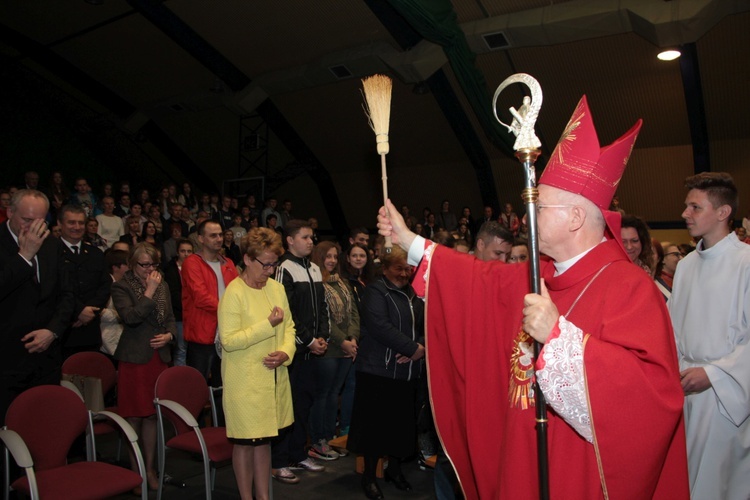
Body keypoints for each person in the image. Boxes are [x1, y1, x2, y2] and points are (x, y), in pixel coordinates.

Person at [376, 96, 688, 499]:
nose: (526, 218)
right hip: (523, 456)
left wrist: (558, 340)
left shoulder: (629, 287)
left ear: (576, 218)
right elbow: (477, 281)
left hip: (577, 473)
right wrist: (409, 240)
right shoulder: (542, 274)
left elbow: (651, 402)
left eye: (538, 205)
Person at [668, 172, 750, 500]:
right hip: (684, 391)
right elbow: (672, 330)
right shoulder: (686, 266)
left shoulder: (746, 263)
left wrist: (713, 374)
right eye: (687, 206)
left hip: (725, 396)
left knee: (719, 487)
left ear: (723, 212)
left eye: (695, 207)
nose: (686, 214)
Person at [218, 228, 296, 500]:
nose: (271, 270)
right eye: (265, 264)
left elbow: (289, 328)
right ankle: (246, 497)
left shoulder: (277, 288)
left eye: (274, 264)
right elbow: (229, 341)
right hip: (244, 382)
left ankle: (264, 497)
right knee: (245, 443)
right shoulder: (234, 292)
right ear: (248, 260)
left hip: (272, 379)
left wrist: (285, 353)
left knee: (263, 442)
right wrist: (267, 326)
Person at [346, 246, 425, 500]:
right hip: (377, 371)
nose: (404, 273)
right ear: (385, 269)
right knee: (373, 430)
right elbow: (380, 326)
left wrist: (420, 347)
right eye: (398, 268)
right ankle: (369, 477)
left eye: (407, 269)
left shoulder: (413, 294)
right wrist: (412, 348)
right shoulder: (375, 291)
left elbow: (426, 325)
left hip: (406, 373)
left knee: (400, 428)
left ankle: (396, 471)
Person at [0, 190, 75, 424]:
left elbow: (68, 295)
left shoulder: (52, 245)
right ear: (10, 212)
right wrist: (25, 256)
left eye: (39, 221)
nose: (32, 228)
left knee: (43, 426)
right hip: (7, 359)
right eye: (26, 220)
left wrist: (52, 331)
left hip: (46, 356)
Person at [111, 242, 175, 491]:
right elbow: (131, 318)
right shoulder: (121, 286)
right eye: (144, 265)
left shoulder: (163, 285)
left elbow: (170, 317)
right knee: (134, 416)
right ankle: (135, 471)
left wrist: (169, 335)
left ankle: (149, 469)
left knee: (151, 416)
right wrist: (149, 291)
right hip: (135, 359)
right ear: (132, 263)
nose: (149, 269)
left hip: (159, 358)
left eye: (153, 264)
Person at [271, 219, 329, 483]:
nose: (310, 241)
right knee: (287, 407)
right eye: (305, 237)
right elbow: (287, 313)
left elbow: (324, 307)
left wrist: (323, 337)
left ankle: (299, 453)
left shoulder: (315, 269)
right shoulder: (284, 268)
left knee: (304, 404)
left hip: (313, 349)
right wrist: (308, 341)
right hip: (294, 352)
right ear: (290, 241)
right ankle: (280, 460)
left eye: (312, 237)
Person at [309, 242, 360, 460]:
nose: (331, 260)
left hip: (346, 349)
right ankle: (318, 441)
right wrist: (343, 342)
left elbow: (354, 314)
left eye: (334, 257)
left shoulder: (343, 283)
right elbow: (324, 320)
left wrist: (353, 338)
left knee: (333, 395)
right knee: (323, 396)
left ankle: (329, 437)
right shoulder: (316, 284)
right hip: (328, 350)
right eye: (327, 257)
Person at [182, 220, 239, 408]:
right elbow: (201, 297)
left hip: (226, 333)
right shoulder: (192, 263)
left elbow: (239, 293)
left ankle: (222, 431)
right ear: (200, 239)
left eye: (221, 235)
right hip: (202, 334)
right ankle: (192, 433)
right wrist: (230, 309)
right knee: (197, 389)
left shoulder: (228, 263)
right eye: (213, 235)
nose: (219, 239)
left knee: (224, 387)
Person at [58, 205, 111, 359]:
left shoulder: (95, 254)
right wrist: (78, 311)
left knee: (91, 378)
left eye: (81, 223)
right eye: (71, 222)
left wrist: (89, 312)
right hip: (62, 330)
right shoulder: (49, 252)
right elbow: (54, 288)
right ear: (60, 224)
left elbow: (105, 286)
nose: (77, 227)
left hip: (90, 329)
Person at [163, 238, 193, 366]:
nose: (186, 254)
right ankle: (180, 382)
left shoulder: (196, 268)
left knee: (192, 351)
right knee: (180, 350)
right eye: (183, 251)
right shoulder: (170, 269)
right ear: (177, 252)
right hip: (179, 315)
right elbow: (173, 295)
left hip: (194, 316)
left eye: (189, 251)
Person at [100, 249, 129, 361]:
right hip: (106, 339)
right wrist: (121, 315)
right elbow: (99, 310)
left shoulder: (123, 285)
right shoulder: (105, 285)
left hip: (118, 337)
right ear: (115, 267)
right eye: (127, 265)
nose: (130, 268)